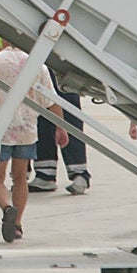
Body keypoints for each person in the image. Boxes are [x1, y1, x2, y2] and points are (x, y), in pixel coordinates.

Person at [0, 37, 69, 243]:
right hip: (27, 129)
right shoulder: (37, 64)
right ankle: (18, 224)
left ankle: (7, 208)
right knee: (20, 178)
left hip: (0, 128)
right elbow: (50, 99)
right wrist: (61, 127)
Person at [29, 67, 92, 195]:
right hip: (39, 64)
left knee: (68, 117)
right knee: (41, 115)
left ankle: (79, 172)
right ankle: (45, 172)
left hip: (61, 67)